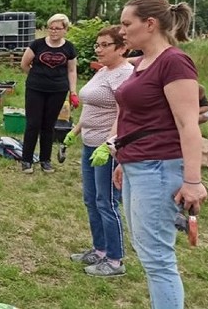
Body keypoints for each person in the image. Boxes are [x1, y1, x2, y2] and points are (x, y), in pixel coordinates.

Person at [108, 0, 206, 308]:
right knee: (148, 252)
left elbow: (187, 124)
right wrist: (125, 158)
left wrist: (192, 181)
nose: (122, 31)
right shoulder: (143, 63)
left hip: (159, 169)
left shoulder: (174, 61)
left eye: (127, 24)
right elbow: (141, 117)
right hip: (138, 166)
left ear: (150, 24)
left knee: (158, 258)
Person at [64, 26, 133, 277]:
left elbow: (124, 113)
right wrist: (76, 130)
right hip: (90, 144)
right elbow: (91, 106)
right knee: (91, 200)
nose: (99, 49)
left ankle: (115, 261)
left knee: (107, 202)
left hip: (107, 148)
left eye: (105, 45)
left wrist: (109, 144)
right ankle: (100, 250)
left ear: (123, 48)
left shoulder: (124, 75)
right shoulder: (104, 70)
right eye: (97, 45)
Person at [19, 13, 78, 173]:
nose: (53, 32)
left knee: (48, 125)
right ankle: (27, 160)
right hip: (36, 89)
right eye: (51, 28)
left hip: (58, 90)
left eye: (58, 28)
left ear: (65, 29)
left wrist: (73, 92)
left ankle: (45, 160)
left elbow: (71, 70)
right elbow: (24, 64)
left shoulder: (69, 48)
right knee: (33, 123)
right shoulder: (37, 45)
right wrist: (37, 77)